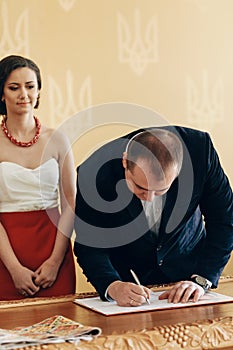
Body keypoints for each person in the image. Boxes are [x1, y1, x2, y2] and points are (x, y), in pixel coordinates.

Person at [74, 126, 233, 307]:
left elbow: (224, 220)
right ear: (125, 162)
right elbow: (89, 244)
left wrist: (203, 279)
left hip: (190, 270)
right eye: (140, 188)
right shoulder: (94, 172)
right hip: (130, 281)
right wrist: (112, 285)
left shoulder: (200, 152)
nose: (149, 198)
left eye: (160, 190)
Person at [0, 55, 76, 300]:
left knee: (62, 330)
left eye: (30, 86)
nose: (24, 94)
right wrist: (14, 268)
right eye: (14, 87)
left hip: (54, 247)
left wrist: (55, 261)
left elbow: (70, 203)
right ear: (2, 94)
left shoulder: (57, 139)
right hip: (6, 253)